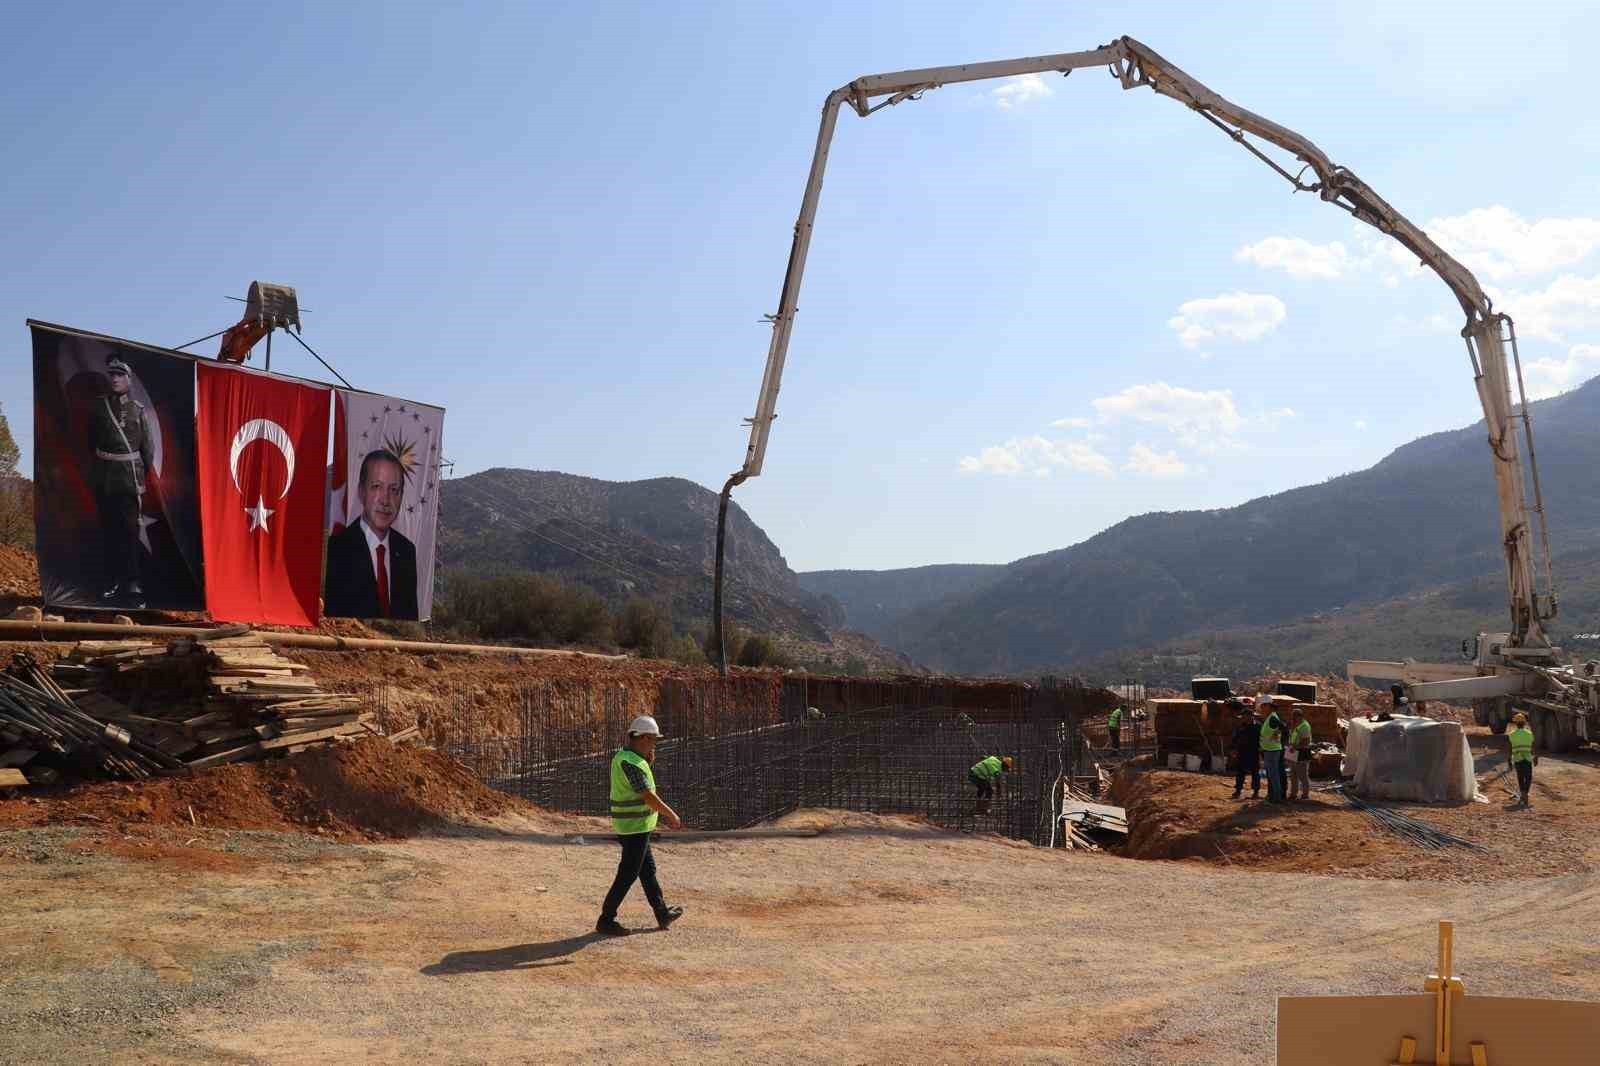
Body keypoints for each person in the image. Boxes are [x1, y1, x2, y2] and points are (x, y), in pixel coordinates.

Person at [597, 715, 684, 936]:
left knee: (647, 871)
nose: (654, 744)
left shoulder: (629, 757)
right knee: (627, 874)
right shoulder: (630, 762)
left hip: (637, 826)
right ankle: (606, 919)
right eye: (653, 740)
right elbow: (647, 796)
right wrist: (670, 814)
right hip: (633, 827)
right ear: (643, 738)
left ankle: (662, 912)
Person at [89, 355, 155, 609]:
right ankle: (111, 581)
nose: (115, 379)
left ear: (129, 379)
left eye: (120, 375)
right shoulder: (99, 407)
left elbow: (147, 449)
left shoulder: (138, 410)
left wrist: (141, 477)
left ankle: (133, 583)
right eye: (112, 375)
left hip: (129, 479)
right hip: (104, 477)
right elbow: (91, 441)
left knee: (129, 533)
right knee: (108, 531)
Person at [324, 449, 420, 619]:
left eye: (394, 490)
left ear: (401, 496)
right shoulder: (338, 548)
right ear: (361, 492)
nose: (385, 500)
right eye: (376, 487)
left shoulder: (407, 551)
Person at [1229, 703, 1261, 799]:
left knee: (1255, 772)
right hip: (1242, 752)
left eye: (1244, 716)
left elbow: (1263, 739)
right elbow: (1234, 739)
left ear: (1250, 717)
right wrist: (1233, 749)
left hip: (1254, 752)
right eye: (1242, 716)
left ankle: (1256, 792)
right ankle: (1238, 790)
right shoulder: (1240, 727)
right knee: (1240, 772)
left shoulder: (1258, 727)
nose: (1242, 718)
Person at [1508, 711, 1537, 807]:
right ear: (1524, 723)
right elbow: (1533, 747)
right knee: (1528, 777)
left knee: (1520, 777)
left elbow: (1509, 748)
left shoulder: (1511, 734)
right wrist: (1535, 757)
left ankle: (1523, 794)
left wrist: (1509, 759)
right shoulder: (1529, 733)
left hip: (1517, 758)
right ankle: (1525, 793)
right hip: (1527, 758)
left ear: (1516, 723)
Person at [1259, 704, 1287, 803]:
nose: (1262, 709)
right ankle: (1274, 797)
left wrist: (1277, 734)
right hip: (1270, 749)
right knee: (1272, 775)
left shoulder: (1273, 718)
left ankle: (1277, 798)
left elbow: (1283, 727)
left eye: (1264, 707)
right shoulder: (1270, 717)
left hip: (1272, 750)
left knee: (1274, 775)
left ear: (1269, 707)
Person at [1289, 706, 1313, 800]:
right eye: (1293, 716)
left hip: (1302, 752)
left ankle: (1305, 794)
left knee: (1302, 775)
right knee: (1293, 775)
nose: (1293, 718)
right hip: (1294, 751)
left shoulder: (1304, 726)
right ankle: (1293, 794)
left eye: (1295, 716)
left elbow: (1306, 741)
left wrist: (1295, 746)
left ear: (1300, 716)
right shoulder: (1296, 725)